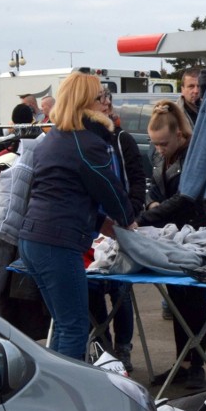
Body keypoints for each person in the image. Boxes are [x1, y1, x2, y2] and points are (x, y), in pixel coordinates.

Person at [18, 70, 137, 362]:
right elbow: (109, 191)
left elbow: (66, 194)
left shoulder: (53, 138)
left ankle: (53, 389)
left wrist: (101, 223)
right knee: (74, 327)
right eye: (101, 97)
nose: (104, 102)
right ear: (89, 101)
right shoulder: (87, 143)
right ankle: (64, 397)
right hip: (57, 243)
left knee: (63, 324)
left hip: (34, 238)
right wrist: (127, 220)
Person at [139, 100, 206, 389]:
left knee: (194, 303)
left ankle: (196, 364)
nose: (159, 149)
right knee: (177, 302)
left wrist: (149, 213)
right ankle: (183, 362)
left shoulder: (192, 157)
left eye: (163, 143)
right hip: (170, 233)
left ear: (179, 135)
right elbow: (153, 186)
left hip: (193, 234)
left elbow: (185, 198)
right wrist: (152, 203)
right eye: (155, 144)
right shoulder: (162, 157)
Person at [88, 89, 147, 372]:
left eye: (107, 104)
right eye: (101, 103)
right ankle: (103, 348)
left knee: (121, 290)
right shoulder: (85, 139)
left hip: (120, 222)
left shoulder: (123, 139)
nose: (105, 108)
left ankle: (123, 349)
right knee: (93, 290)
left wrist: (130, 210)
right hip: (92, 224)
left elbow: (136, 177)